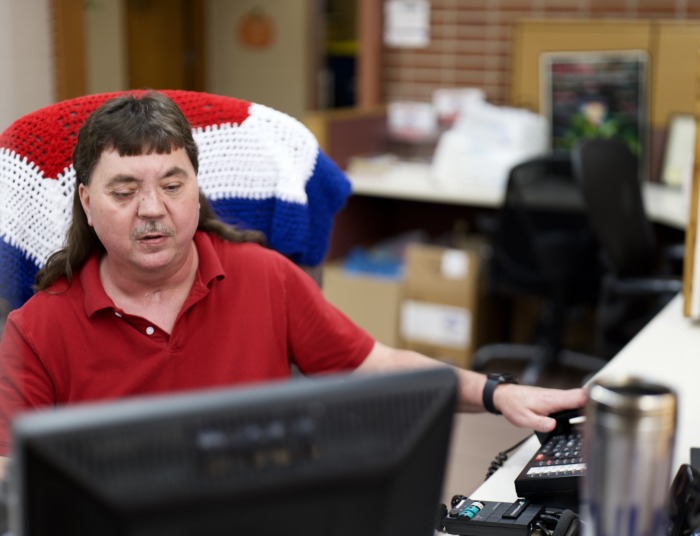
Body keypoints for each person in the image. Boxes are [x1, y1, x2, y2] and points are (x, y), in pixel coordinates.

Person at [0, 91, 587, 481]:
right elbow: (12, 485)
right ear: (86, 201)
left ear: (197, 189)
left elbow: (373, 365)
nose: (152, 209)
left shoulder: (263, 275)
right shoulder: (37, 329)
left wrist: (496, 393)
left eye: (173, 185)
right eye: (124, 190)